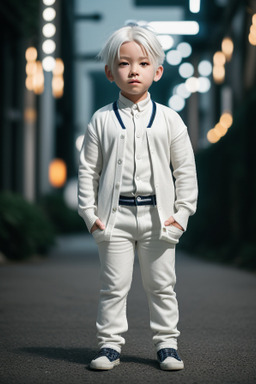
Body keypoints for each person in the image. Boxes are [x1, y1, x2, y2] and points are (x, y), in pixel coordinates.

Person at [78, 24, 198, 371]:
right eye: (124, 64)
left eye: (143, 64)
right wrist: (90, 214)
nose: (134, 71)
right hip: (113, 218)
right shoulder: (101, 120)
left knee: (162, 285)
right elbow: (88, 171)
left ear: (157, 71)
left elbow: (185, 172)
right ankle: (109, 346)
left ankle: (167, 345)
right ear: (110, 72)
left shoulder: (170, 120)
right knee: (113, 287)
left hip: (159, 218)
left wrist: (182, 213)